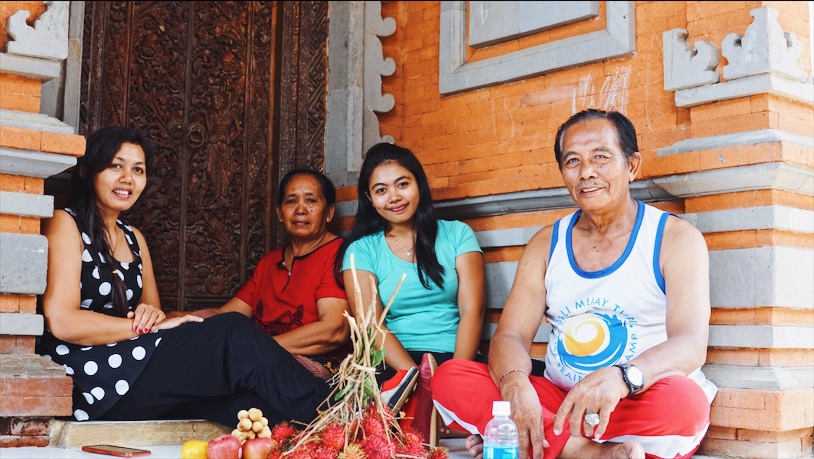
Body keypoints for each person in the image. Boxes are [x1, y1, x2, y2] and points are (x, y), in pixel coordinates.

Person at [432, 109, 718, 459]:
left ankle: (532, 443)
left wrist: (623, 378)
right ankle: (593, 453)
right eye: (573, 161)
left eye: (601, 157)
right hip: (559, 399)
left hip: (635, 398)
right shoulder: (545, 244)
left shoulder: (674, 238)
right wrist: (515, 384)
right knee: (451, 377)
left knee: (684, 403)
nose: (587, 172)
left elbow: (690, 343)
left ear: (632, 165)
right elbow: (511, 335)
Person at [36, 126, 334, 428]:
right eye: (116, 166)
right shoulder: (65, 223)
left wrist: (152, 317)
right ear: (88, 171)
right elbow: (63, 321)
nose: (127, 178)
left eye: (138, 169)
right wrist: (138, 327)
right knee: (233, 331)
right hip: (92, 377)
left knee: (254, 406)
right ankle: (338, 416)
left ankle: (342, 435)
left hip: (137, 370)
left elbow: (154, 316)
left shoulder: (133, 238)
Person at [335, 142, 487, 442]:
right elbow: (371, 325)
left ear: (419, 183)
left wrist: (452, 374)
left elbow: (473, 311)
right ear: (369, 199)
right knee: (369, 422)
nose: (394, 197)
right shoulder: (361, 250)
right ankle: (431, 411)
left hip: (456, 357)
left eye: (402, 184)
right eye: (381, 190)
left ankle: (439, 411)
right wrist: (414, 377)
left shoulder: (457, 234)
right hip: (395, 363)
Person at [181, 169, 352, 380]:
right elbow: (226, 315)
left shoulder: (340, 254)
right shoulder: (270, 263)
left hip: (311, 366)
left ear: (329, 212)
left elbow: (333, 330)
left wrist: (257, 348)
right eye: (291, 201)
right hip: (257, 360)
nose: (300, 209)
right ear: (280, 213)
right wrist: (172, 320)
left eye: (311, 201)